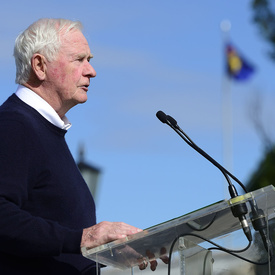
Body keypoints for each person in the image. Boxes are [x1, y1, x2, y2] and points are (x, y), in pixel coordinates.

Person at [0, 18, 143, 274]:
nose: (91, 71)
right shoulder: (14, 125)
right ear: (40, 66)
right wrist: (82, 239)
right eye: (79, 60)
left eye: (90, 59)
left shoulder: (41, 129)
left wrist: (111, 252)